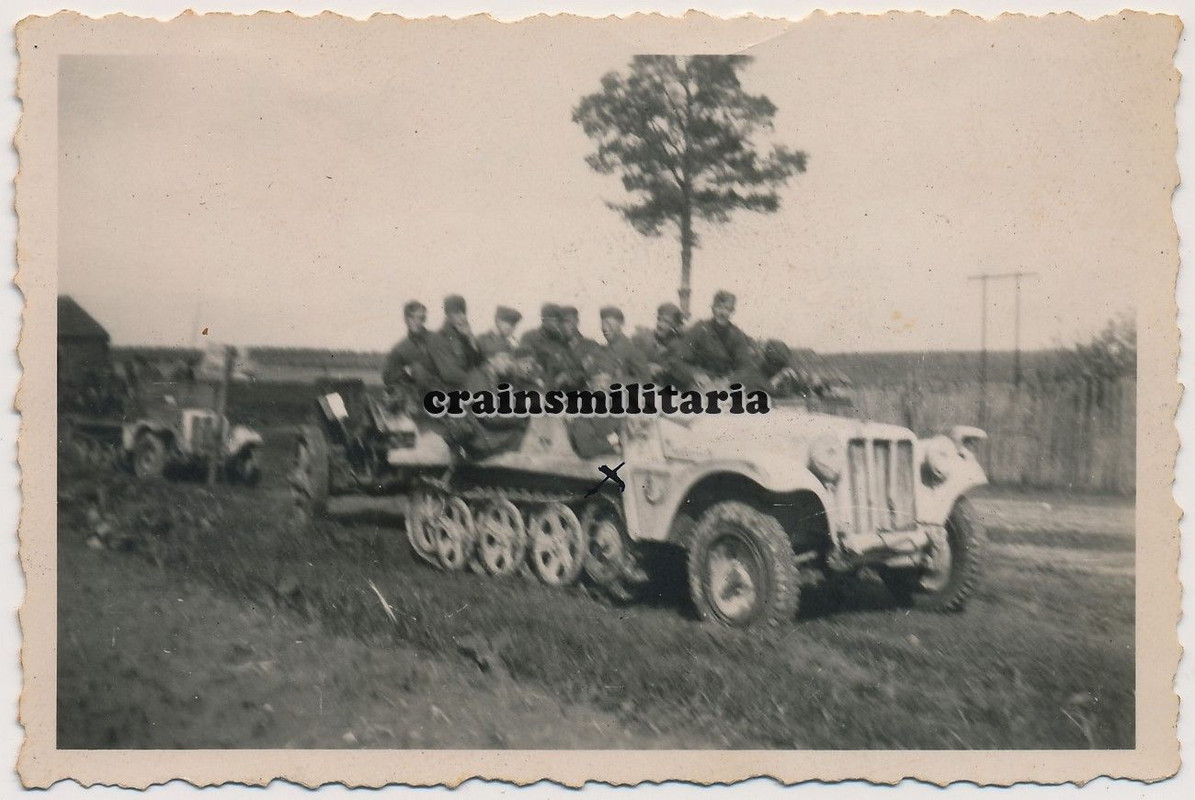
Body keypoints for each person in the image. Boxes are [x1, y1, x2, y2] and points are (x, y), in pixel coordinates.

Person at [675, 290, 757, 388]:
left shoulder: (736, 334)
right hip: (699, 382)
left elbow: (746, 367)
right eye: (719, 307)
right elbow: (678, 360)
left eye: (727, 309)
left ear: (732, 311)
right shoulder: (700, 329)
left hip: (724, 383)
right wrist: (695, 374)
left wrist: (730, 381)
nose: (722, 312)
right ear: (712, 308)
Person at [632, 302, 697, 389]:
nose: (660, 325)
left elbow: (687, 371)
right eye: (659, 319)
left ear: (676, 325)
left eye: (666, 322)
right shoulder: (643, 339)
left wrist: (663, 370)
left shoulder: (680, 344)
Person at [427, 294, 484, 390]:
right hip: (446, 393)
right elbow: (449, 373)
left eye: (464, 313)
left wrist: (470, 339)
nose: (462, 317)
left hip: (468, 388)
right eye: (457, 313)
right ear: (447, 315)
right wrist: (478, 380)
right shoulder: (438, 338)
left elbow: (479, 363)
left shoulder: (465, 335)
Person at [598, 306, 650, 384]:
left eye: (608, 324)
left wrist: (611, 383)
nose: (604, 328)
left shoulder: (632, 349)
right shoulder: (603, 351)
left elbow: (645, 381)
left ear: (621, 323)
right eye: (603, 324)